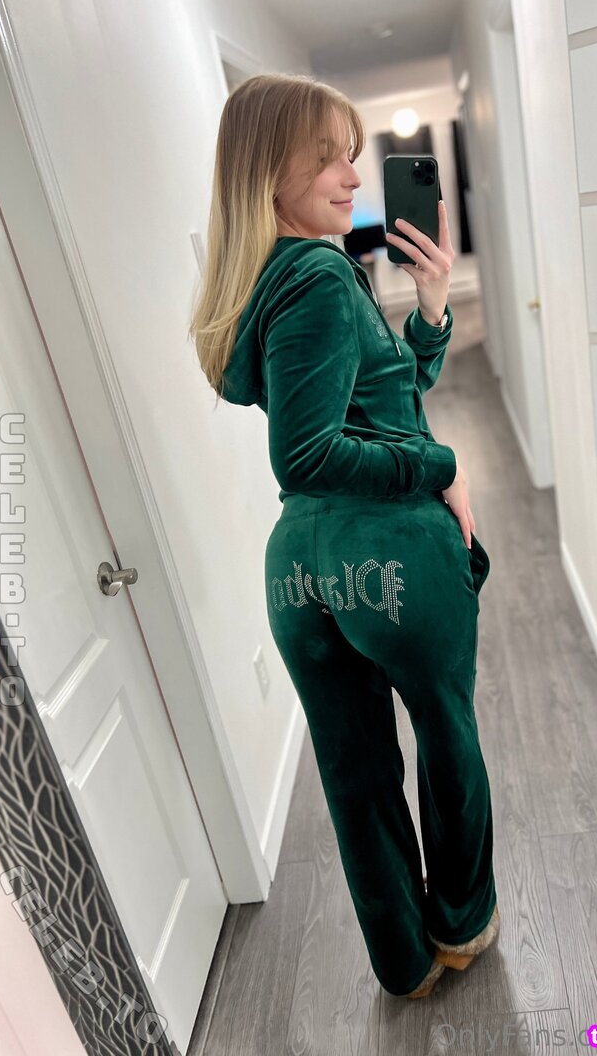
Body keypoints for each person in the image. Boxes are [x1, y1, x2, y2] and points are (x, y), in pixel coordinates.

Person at [190, 73, 499, 999]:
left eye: (353, 156)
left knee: (353, 775)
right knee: (445, 734)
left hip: (300, 573)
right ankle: (460, 925)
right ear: (268, 171)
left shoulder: (267, 286)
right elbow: (310, 453)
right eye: (328, 156)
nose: (353, 176)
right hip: (389, 555)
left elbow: (380, 404)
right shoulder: (321, 274)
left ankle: (403, 963)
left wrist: (430, 309)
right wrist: (440, 466)